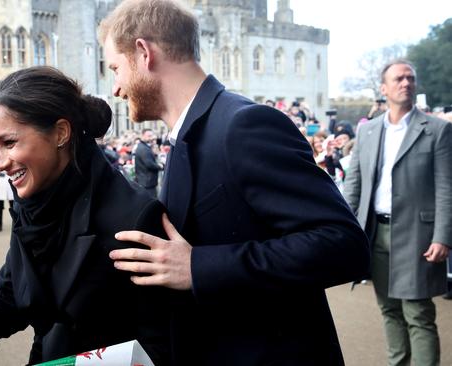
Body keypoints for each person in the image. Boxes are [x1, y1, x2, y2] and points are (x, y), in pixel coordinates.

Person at [98, 1, 369, 364]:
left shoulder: (244, 125)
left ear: (144, 53)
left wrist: (198, 266)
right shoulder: (185, 137)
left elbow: (343, 245)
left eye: (115, 68)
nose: (115, 88)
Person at [0, 67, 171, 365]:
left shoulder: (136, 217)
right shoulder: (30, 205)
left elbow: (162, 344)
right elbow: (14, 295)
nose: (0, 164)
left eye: (9, 143)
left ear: (60, 133)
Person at [343, 60, 451, 366]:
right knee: (388, 309)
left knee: (418, 313)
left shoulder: (438, 130)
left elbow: (446, 188)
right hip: (375, 232)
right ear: (384, 88)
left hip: (419, 236)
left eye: (410, 78)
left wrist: (443, 236)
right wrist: (344, 229)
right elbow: (354, 185)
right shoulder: (368, 131)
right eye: (399, 78)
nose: (406, 83)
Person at [133, 128, 162, 197]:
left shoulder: (144, 146)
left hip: (146, 181)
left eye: (151, 136)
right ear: (142, 136)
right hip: (147, 182)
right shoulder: (143, 148)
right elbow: (149, 164)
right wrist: (160, 166)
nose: (151, 138)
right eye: (148, 136)